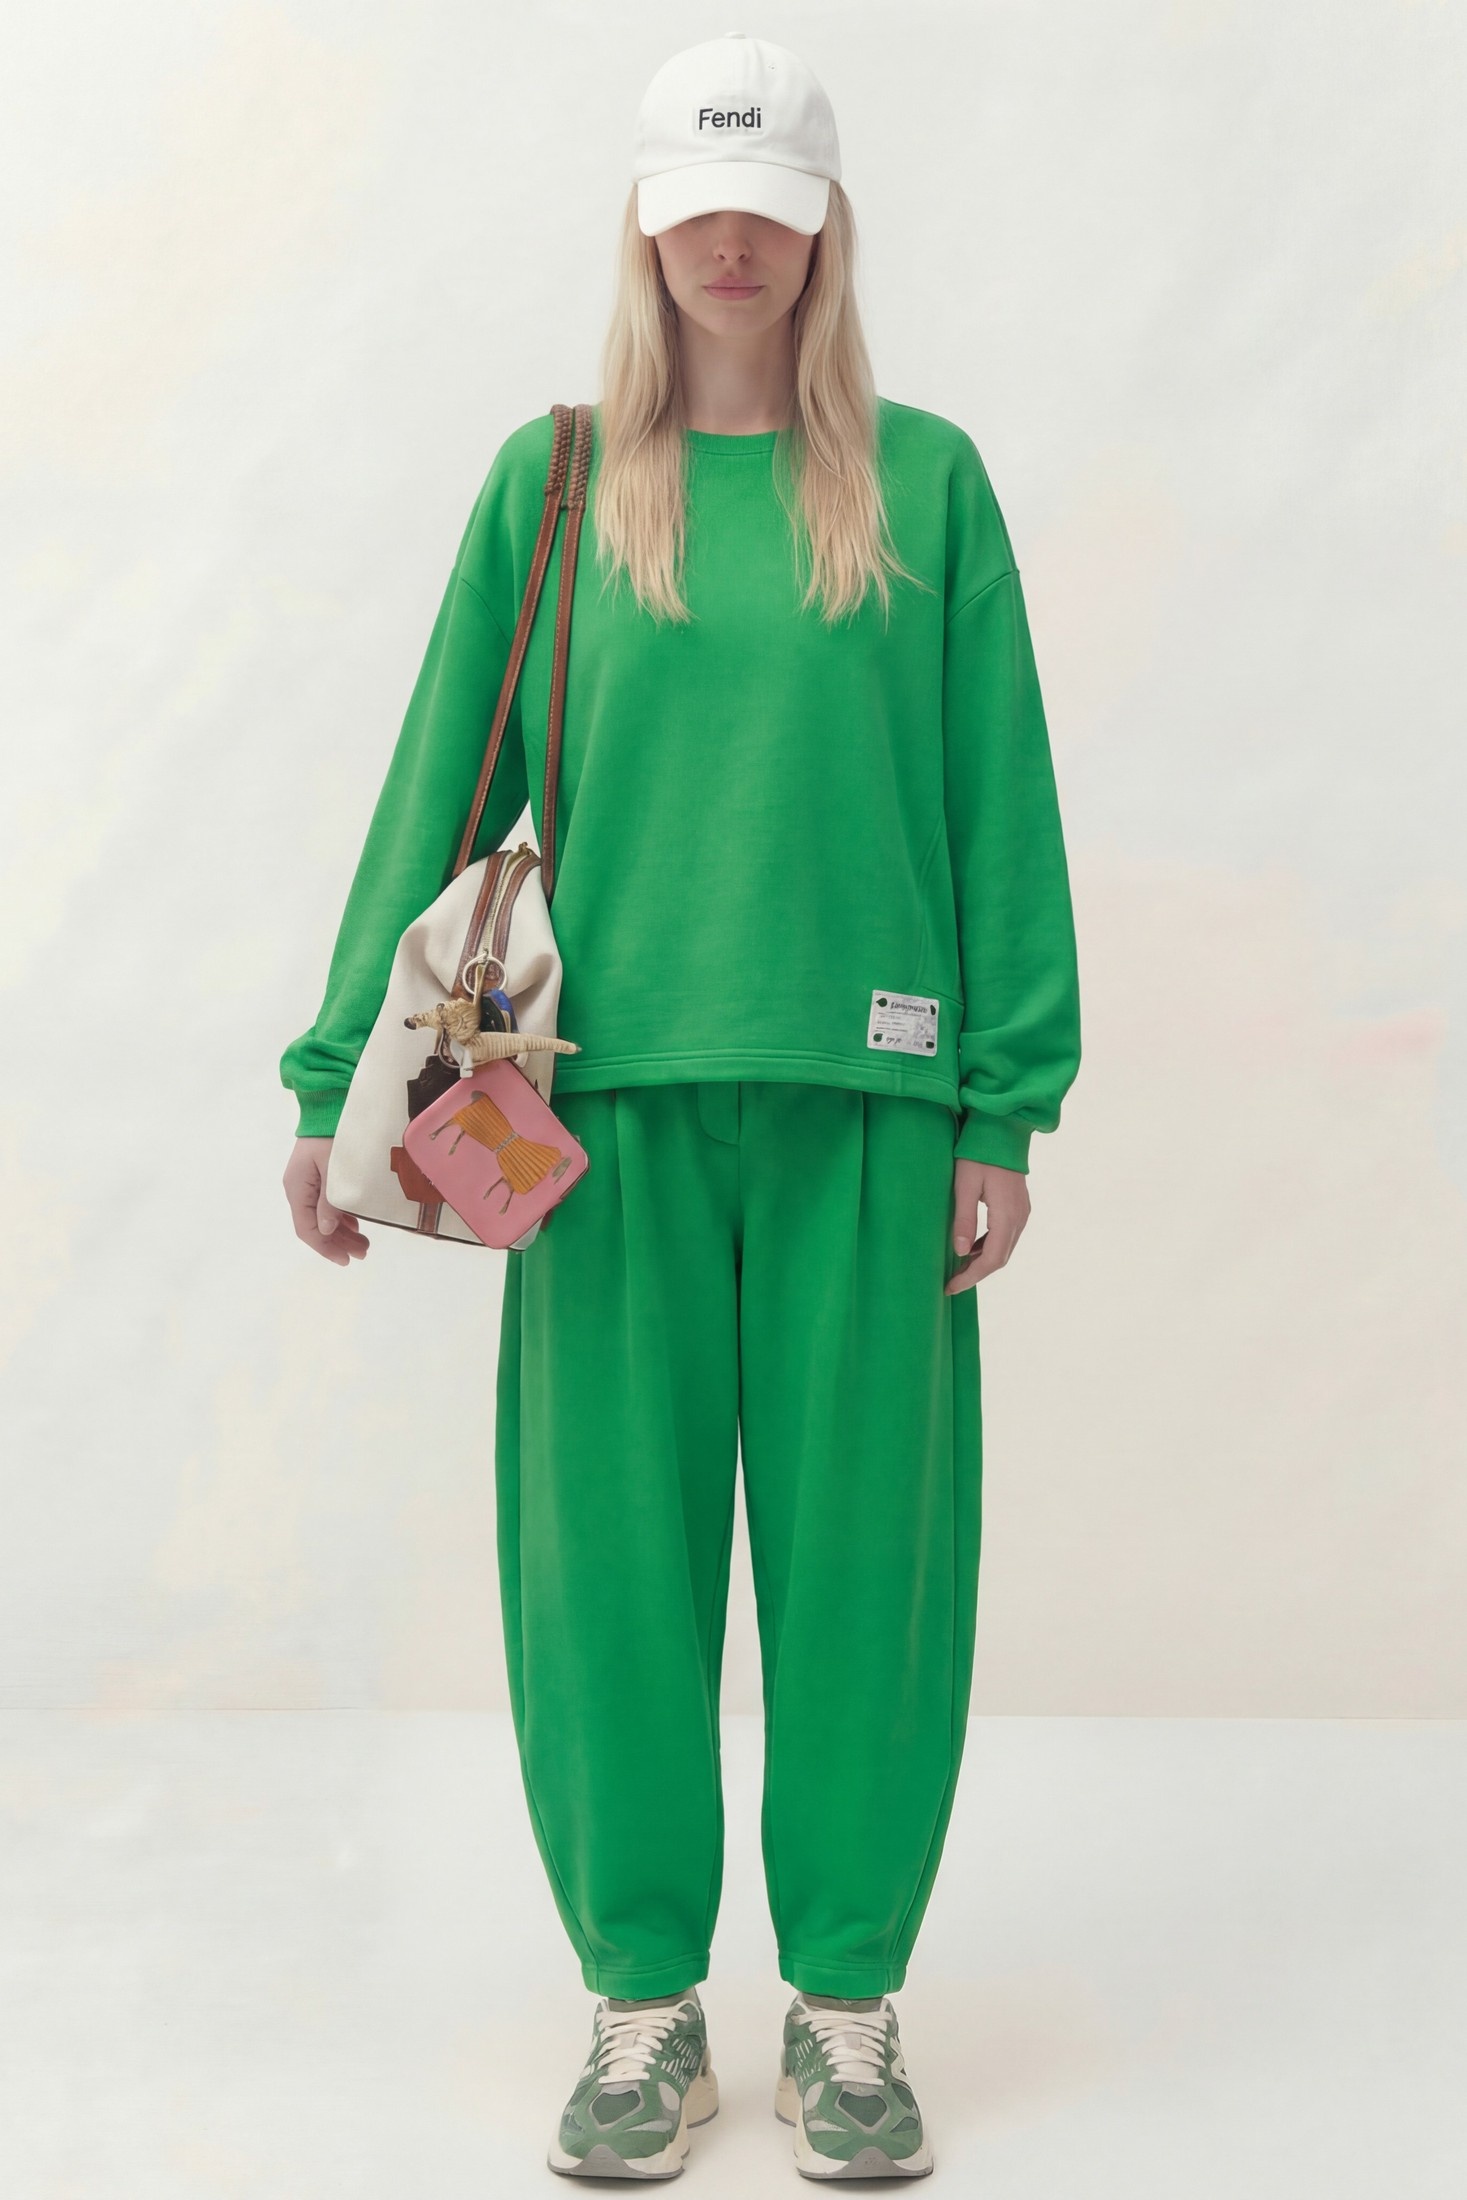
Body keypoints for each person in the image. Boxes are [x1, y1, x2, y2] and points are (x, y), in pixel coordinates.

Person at [280, 31, 1081, 2185]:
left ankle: (845, 2011)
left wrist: (1002, 1104)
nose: (732, 242)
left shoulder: (923, 486)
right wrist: (334, 1077)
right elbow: (440, 785)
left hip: (871, 1109)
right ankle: (641, 2007)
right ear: (644, 226)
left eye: (771, 209)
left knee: (867, 1587)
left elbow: (995, 801)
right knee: (606, 1584)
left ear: (825, 233)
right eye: (697, 207)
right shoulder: (552, 488)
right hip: (587, 1128)